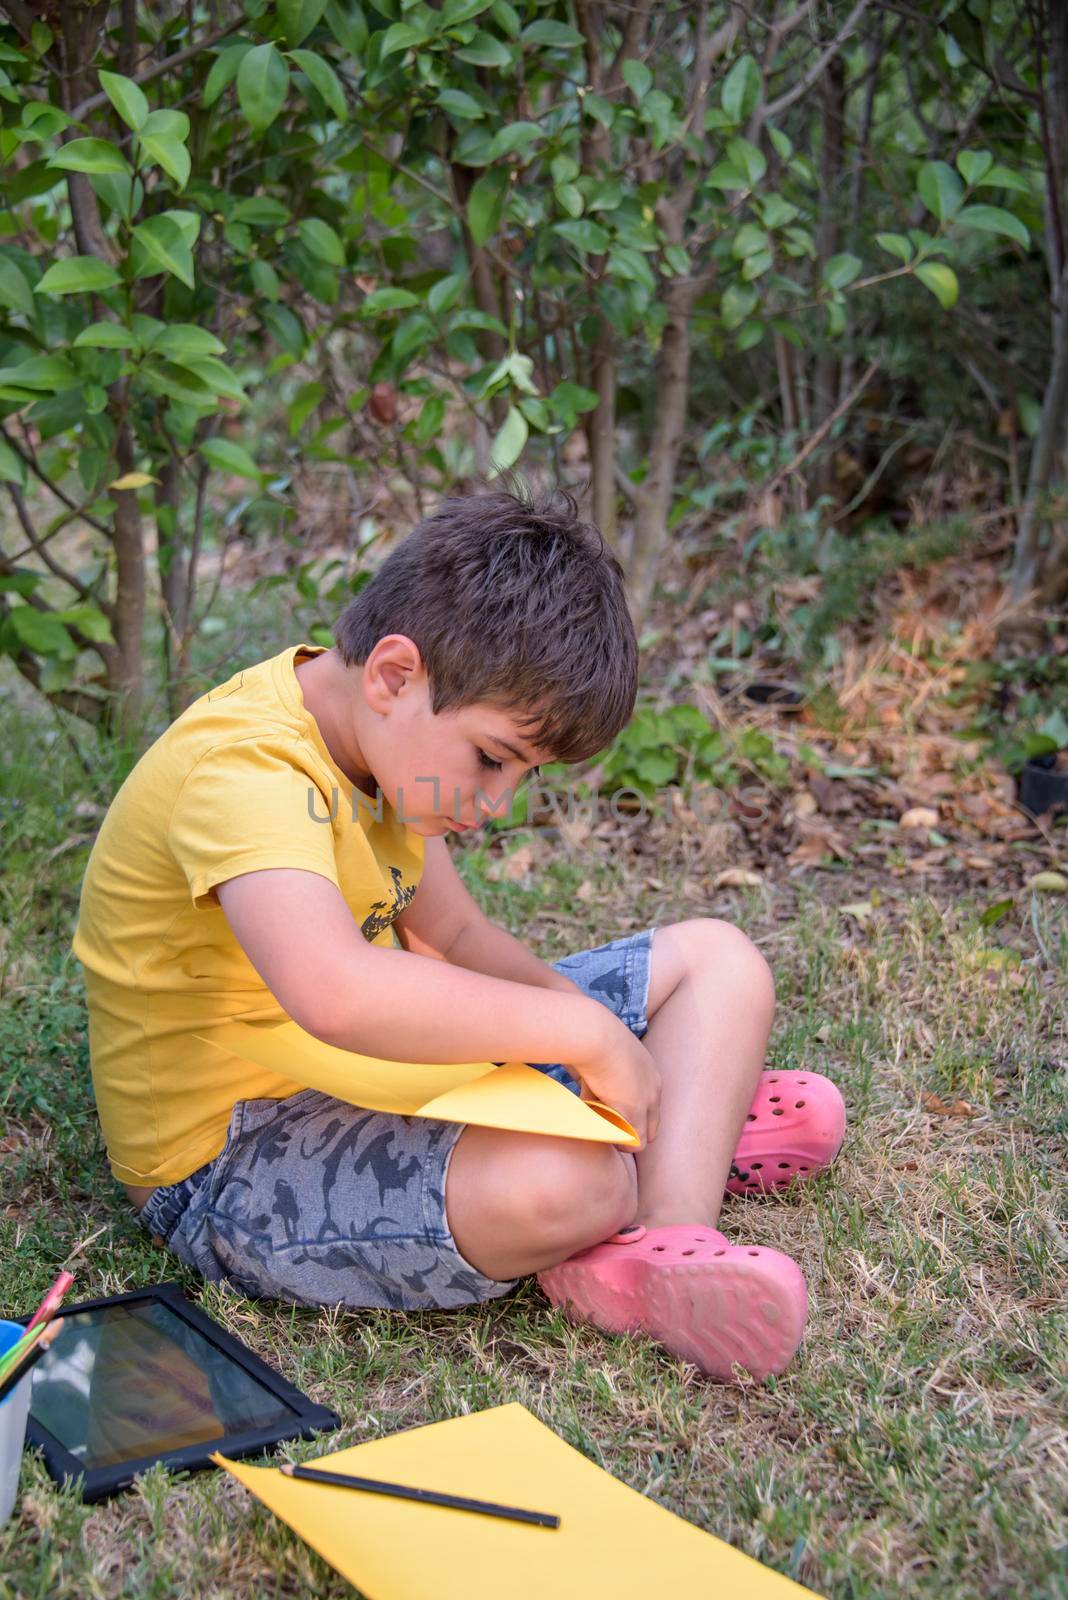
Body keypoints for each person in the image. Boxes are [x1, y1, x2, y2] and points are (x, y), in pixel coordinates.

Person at [72, 488, 845, 1382]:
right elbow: (337, 991)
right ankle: (662, 1150)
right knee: (571, 1182)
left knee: (721, 959)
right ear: (394, 676)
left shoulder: (377, 747)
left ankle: (672, 1228)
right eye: (491, 758)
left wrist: (573, 1038)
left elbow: (461, 934)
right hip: (232, 1157)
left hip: (392, 1078)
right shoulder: (247, 771)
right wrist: (589, 1035)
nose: (497, 801)